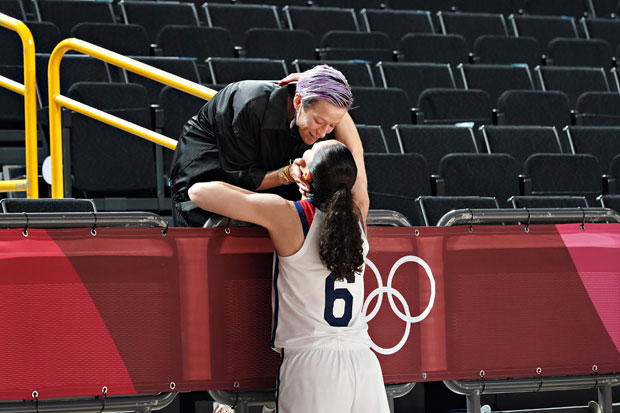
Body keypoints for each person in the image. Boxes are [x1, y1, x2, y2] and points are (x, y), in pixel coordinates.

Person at [189, 140, 389, 413]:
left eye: (305, 156)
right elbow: (357, 153)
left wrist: (284, 176)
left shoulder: (288, 215)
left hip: (312, 367)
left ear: (306, 174)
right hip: (364, 365)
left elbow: (199, 192)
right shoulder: (357, 214)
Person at [170, 65, 368, 227]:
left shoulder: (321, 112)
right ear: (298, 101)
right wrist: (287, 174)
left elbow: (357, 173)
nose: (323, 132)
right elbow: (241, 176)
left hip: (264, 185)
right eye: (319, 121)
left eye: (332, 125)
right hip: (207, 175)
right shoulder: (249, 103)